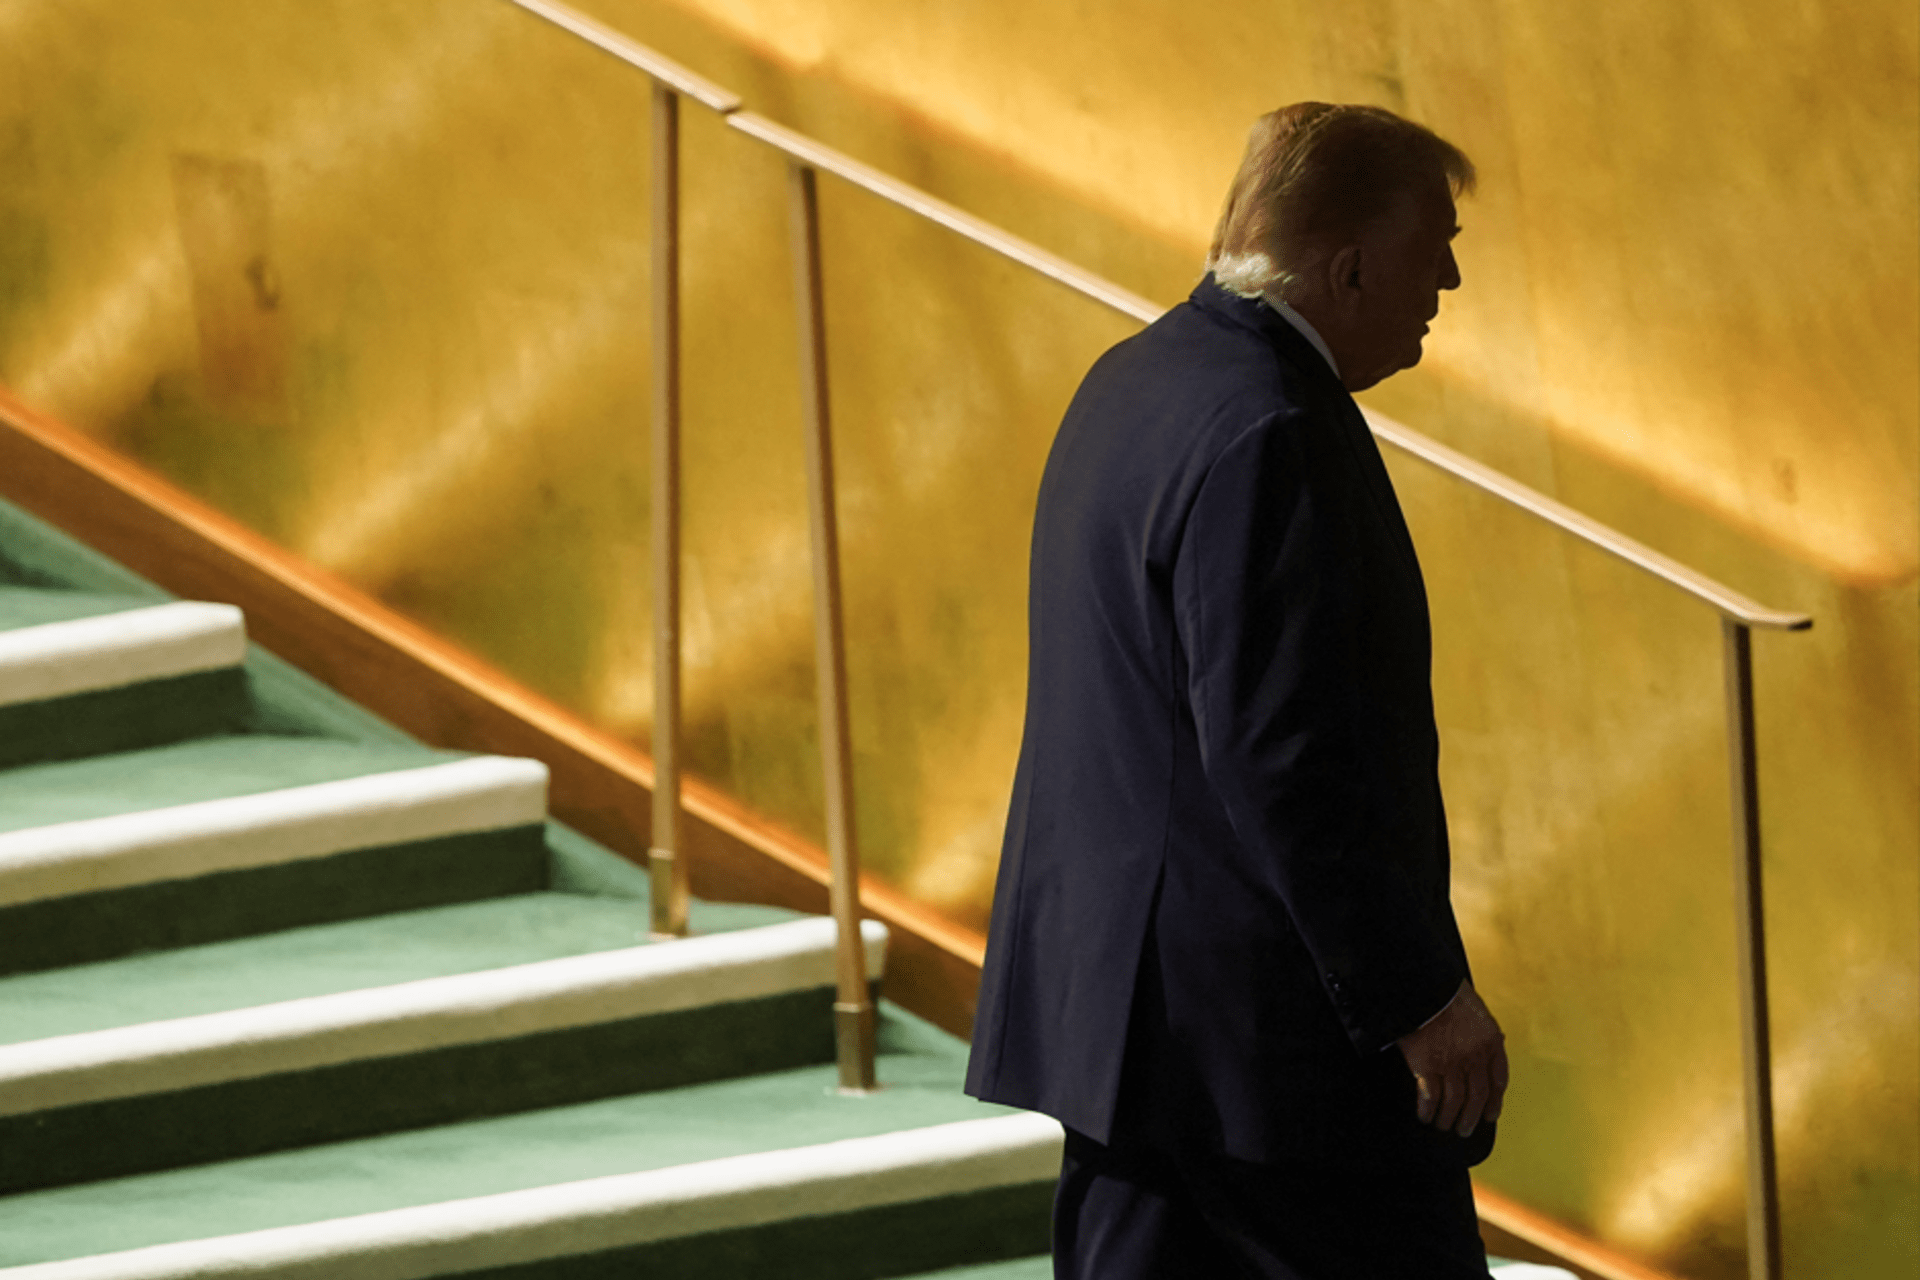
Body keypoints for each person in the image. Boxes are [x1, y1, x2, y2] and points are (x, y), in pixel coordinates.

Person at [965, 103, 1511, 1279]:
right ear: (1350, 267)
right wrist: (1420, 998)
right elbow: (1283, 756)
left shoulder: (1132, 380)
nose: (1450, 281)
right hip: (1266, 1068)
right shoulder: (1273, 427)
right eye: (1438, 247)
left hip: (1129, 1041)